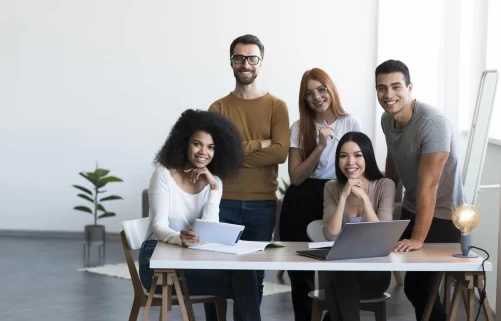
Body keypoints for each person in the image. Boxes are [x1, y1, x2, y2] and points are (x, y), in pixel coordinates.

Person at [138, 109, 262, 321]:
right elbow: (158, 227)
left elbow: (209, 230)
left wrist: (213, 187)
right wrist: (180, 238)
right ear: (184, 143)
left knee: (244, 272)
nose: (203, 151)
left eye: (211, 147)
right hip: (158, 264)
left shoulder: (215, 182)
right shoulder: (164, 174)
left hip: (191, 261)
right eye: (197, 143)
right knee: (243, 282)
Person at [376, 59, 466, 321]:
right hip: (413, 206)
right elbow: (394, 155)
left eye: (395, 87)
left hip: (444, 213)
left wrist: (417, 239)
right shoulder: (387, 118)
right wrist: (386, 186)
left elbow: (430, 185)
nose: (389, 95)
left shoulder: (432, 122)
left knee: (419, 286)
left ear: (410, 87)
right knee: (412, 284)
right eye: (382, 88)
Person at [208, 34, 290, 319]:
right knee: (218, 274)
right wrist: (260, 144)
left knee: (254, 277)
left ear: (260, 63)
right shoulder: (218, 108)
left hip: (262, 205)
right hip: (223, 202)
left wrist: (237, 150)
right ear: (231, 62)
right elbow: (216, 156)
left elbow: (280, 153)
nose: (245, 64)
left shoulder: (276, 107)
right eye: (239, 58)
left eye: (251, 58)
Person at [278, 68, 361, 321]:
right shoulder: (298, 127)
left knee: (336, 268)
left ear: (330, 88)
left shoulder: (350, 122)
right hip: (302, 197)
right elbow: (296, 176)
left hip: (336, 194)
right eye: (309, 93)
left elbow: (356, 166)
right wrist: (321, 145)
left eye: (321, 89)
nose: (317, 97)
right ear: (304, 99)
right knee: (299, 272)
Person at [322, 131, 395, 321]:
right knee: (340, 276)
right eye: (343, 156)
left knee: (336, 285)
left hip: (374, 273)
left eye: (357, 155)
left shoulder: (385, 185)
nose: (350, 162)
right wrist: (344, 196)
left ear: (367, 157)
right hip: (341, 272)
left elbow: (381, 236)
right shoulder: (331, 187)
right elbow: (330, 235)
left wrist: (364, 198)